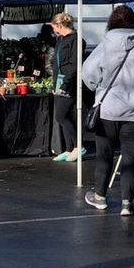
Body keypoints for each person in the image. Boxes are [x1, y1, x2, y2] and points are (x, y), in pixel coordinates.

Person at [80, 4, 134, 217]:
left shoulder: (105, 45)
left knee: (104, 155)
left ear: (111, 22)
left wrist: (99, 87)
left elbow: (88, 74)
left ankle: (100, 197)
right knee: (131, 157)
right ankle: (126, 203)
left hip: (108, 110)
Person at [49, 11, 85, 163]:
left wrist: (65, 84)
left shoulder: (77, 40)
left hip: (69, 83)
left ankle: (79, 146)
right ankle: (69, 148)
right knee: (64, 116)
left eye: (54, 26)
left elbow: (74, 65)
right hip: (59, 81)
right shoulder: (60, 40)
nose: (53, 30)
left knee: (61, 116)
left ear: (59, 25)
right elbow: (57, 64)